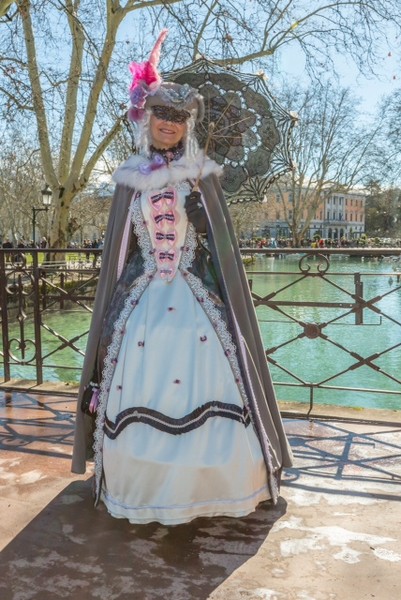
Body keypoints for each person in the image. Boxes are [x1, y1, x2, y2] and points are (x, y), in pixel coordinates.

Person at [72, 30, 293, 525]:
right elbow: (121, 252)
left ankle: (215, 487)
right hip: (144, 301)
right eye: (161, 116)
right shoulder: (129, 176)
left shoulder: (203, 175)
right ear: (145, 117)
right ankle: (139, 487)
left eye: (177, 118)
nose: (168, 125)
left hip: (197, 301)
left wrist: (203, 217)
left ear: (186, 125)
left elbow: (225, 250)